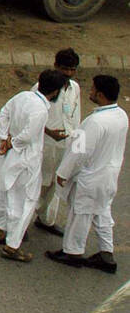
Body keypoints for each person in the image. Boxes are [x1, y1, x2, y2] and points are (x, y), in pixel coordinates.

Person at [0, 68, 68, 261]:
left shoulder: (22, 96)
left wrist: (4, 137)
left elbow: (3, 114)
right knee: (24, 203)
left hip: (9, 155)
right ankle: (12, 246)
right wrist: (11, 142)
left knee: (4, 193)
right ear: (55, 92)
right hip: (24, 160)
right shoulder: (40, 110)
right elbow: (28, 136)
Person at [48, 75, 126, 273]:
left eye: (92, 89)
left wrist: (63, 173)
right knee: (102, 212)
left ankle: (72, 252)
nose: (89, 92)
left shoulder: (95, 121)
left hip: (92, 178)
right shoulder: (121, 115)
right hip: (109, 176)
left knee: (80, 214)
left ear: (100, 94)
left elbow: (80, 152)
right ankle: (106, 254)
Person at [35, 48, 82, 234]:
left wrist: (78, 146)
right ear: (56, 66)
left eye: (72, 69)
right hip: (46, 144)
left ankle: (46, 219)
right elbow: (33, 117)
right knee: (40, 183)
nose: (68, 73)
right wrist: (49, 133)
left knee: (57, 183)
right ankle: (21, 223)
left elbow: (75, 116)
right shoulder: (41, 86)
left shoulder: (74, 88)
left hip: (66, 144)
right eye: (65, 69)